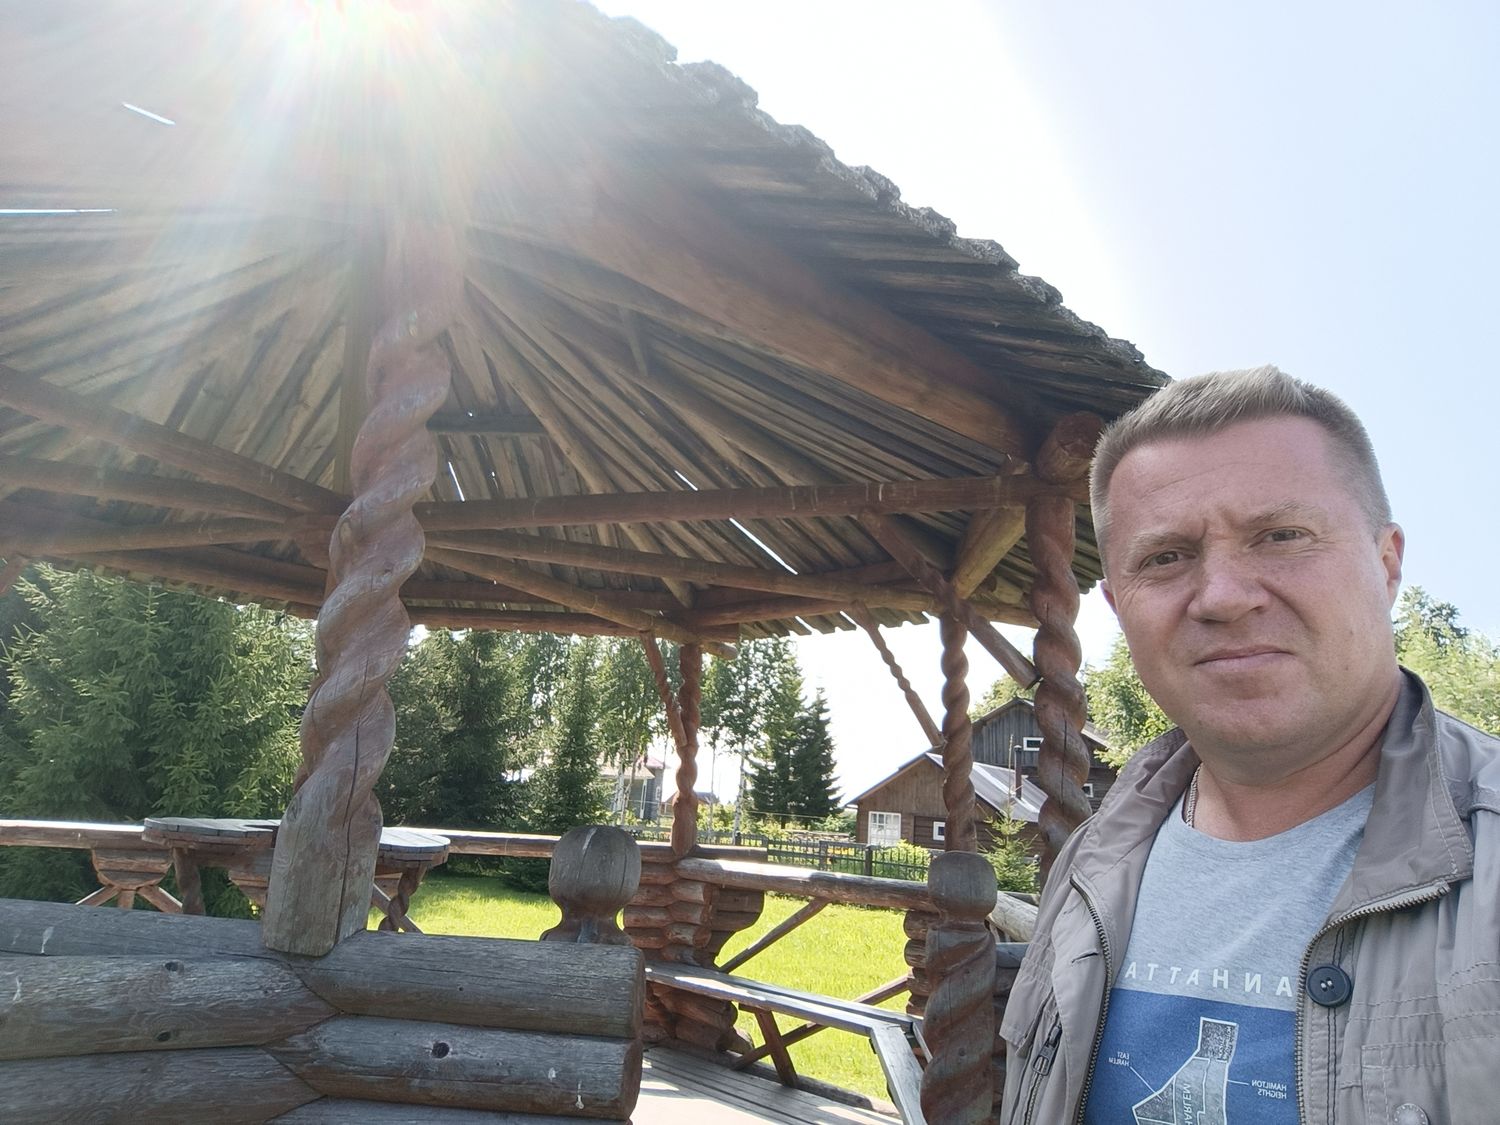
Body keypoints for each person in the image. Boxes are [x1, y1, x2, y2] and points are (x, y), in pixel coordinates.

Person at [999, 367, 1500, 1124]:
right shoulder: (1091, 865)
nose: (1225, 596)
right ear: (1119, 606)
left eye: (1282, 536)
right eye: (1165, 556)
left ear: (1387, 563)